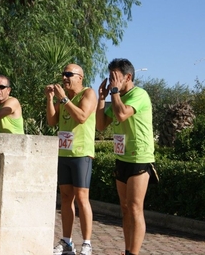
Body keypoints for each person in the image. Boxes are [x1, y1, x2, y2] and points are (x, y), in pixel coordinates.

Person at [96, 58, 156, 255]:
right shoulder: (115, 97)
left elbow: (121, 115)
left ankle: (134, 253)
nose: (112, 81)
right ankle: (127, 250)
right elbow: (101, 125)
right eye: (110, 76)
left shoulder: (139, 94)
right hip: (121, 158)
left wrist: (113, 93)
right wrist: (100, 98)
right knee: (124, 208)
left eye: (115, 77)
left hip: (139, 157)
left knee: (135, 207)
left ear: (128, 77)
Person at [45, 64, 97, 255]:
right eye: (63, 74)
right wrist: (50, 99)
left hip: (81, 154)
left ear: (80, 77)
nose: (65, 78)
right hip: (64, 154)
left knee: (82, 198)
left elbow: (82, 116)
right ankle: (67, 241)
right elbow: (52, 121)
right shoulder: (63, 98)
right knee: (66, 198)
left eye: (69, 74)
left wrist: (64, 99)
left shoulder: (88, 93)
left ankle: (87, 243)